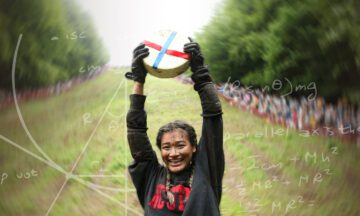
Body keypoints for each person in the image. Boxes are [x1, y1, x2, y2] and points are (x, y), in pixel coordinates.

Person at [125, 39, 224, 215]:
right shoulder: (151, 176)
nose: (173, 154)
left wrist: (200, 72)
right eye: (166, 147)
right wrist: (138, 81)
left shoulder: (206, 170)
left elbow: (213, 117)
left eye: (180, 145)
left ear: (194, 147)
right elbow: (136, 130)